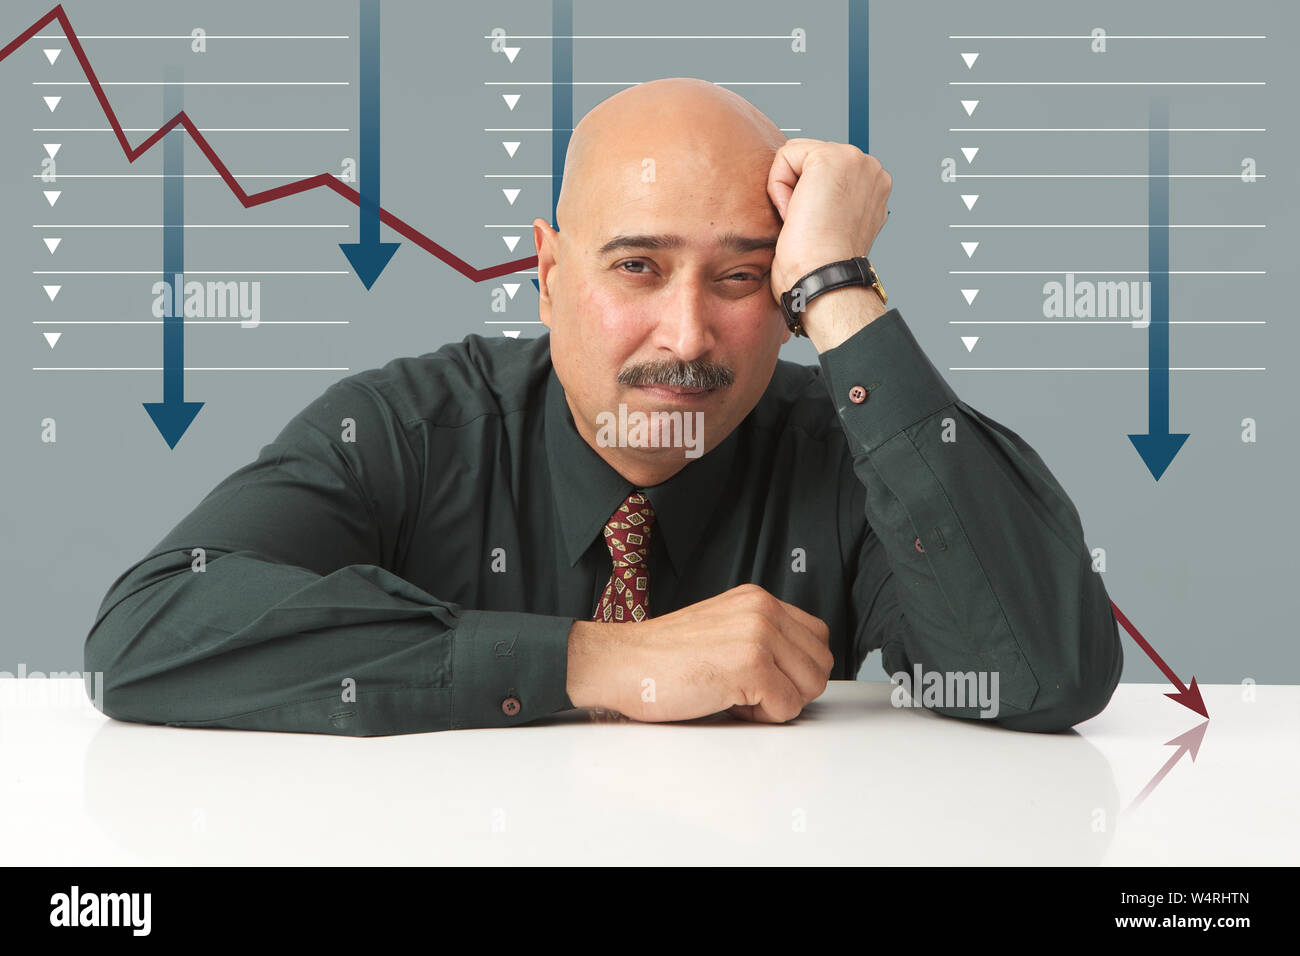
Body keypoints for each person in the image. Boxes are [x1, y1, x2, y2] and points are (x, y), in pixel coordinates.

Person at [84, 77, 1122, 736]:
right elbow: (149, 631)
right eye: (636, 266)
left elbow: (1043, 672)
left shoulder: (850, 459)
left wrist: (842, 281)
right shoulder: (408, 431)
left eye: (742, 279)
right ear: (544, 274)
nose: (683, 335)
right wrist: (597, 658)